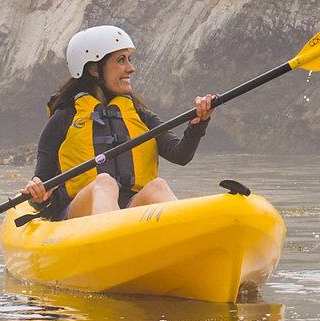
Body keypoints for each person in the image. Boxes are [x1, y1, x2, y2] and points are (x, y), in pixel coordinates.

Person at [23, 25, 214, 220]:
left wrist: (198, 123)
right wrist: (39, 196)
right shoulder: (63, 119)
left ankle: (189, 234)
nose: (131, 68)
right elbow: (42, 185)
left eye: (129, 60)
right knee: (104, 183)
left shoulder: (140, 115)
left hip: (129, 211)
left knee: (158, 186)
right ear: (94, 69)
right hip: (76, 216)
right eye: (121, 60)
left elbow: (180, 155)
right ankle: (110, 237)